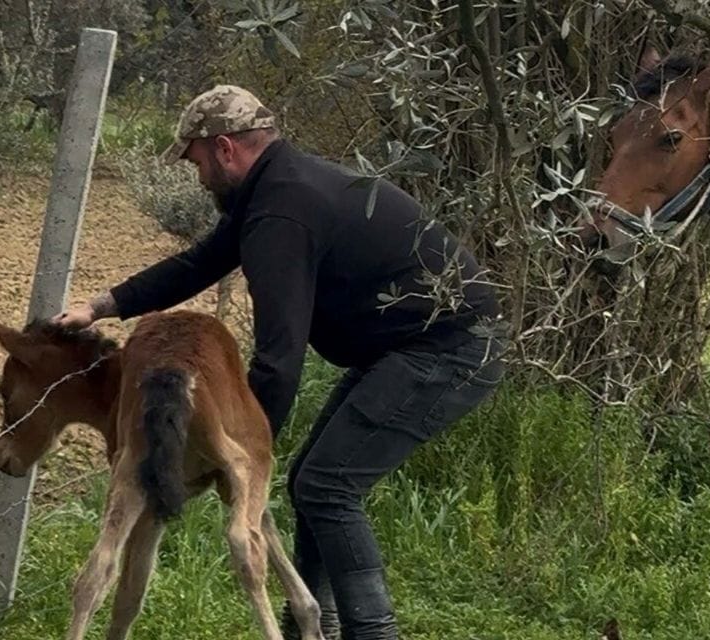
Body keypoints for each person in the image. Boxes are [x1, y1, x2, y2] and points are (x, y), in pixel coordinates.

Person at [53, 85, 506, 640]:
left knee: (327, 485)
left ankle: (372, 633)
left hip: (449, 350)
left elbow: (279, 356)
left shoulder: (282, 215)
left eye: (195, 161)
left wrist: (241, 453)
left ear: (224, 149)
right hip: (405, 347)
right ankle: (316, 627)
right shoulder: (275, 190)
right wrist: (101, 307)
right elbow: (200, 263)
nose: (198, 177)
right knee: (312, 479)